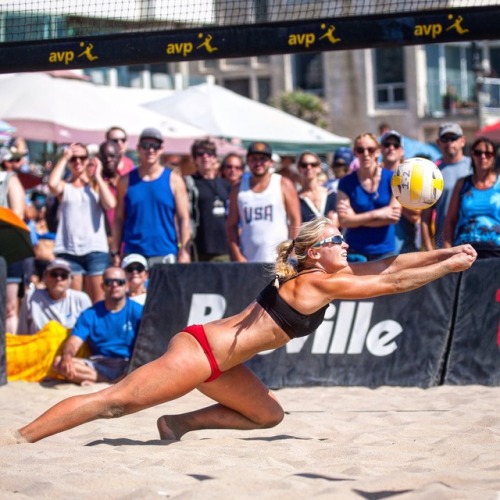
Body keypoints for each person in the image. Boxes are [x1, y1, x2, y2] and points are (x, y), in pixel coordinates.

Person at [14, 216, 477, 443]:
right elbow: (392, 282)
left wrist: (445, 252)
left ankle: (176, 423)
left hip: (223, 363)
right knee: (113, 402)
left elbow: (388, 263)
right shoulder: (317, 281)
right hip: (201, 353)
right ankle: (21, 438)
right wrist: (448, 269)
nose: (346, 242)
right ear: (315, 253)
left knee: (269, 416)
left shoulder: (331, 274)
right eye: (337, 238)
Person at [111, 128, 191, 266]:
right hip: (133, 253)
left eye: (155, 146)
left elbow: (184, 218)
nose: (150, 150)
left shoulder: (174, 180)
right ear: (138, 148)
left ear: (161, 149)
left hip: (165, 252)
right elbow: (118, 219)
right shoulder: (125, 181)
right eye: (146, 146)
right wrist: (115, 252)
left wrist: (184, 251)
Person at [50, 266, 143, 386]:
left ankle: (105, 381)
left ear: (126, 286)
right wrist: (67, 356)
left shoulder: (138, 311)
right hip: (98, 364)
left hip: (128, 364)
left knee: (144, 367)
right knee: (59, 362)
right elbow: (74, 342)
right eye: (109, 282)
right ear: (102, 286)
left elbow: (147, 346)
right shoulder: (90, 314)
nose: (114, 285)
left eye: (119, 282)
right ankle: (108, 381)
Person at [48, 142, 116, 303]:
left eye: (82, 158)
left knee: (98, 301)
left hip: (95, 249)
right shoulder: (65, 186)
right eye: (74, 158)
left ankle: (97, 329)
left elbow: (110, 204)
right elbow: (52, 184)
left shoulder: (95, 185)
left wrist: (98, 176)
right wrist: (64, 158)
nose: (78, 162)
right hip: (69, 249)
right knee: (74, 301)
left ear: (88, 160)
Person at [227, 141, 301, 263]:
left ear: (270, 162)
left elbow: (296, 221)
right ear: (248, 161)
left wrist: (292, 252)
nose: (258, 163)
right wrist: (238, 256)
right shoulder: (238, 189)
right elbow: (231, 226)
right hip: (248, 260)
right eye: (254, 159)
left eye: (263, 159)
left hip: (279, 261)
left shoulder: (283, 184)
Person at [336, 132, 402, 262]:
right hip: (356, 251)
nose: (366, 154)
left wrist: (356, 219)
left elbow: (394, 216)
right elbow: (344, 221)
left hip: (384, 251)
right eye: (361, 150)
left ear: (378, 152)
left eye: (370, 150)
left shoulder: (393, 178)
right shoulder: (346, 182)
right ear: (355, 153)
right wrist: (380, 213)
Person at [443, 136, 500, 258]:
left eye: (488, 153)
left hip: (496, 250)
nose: (483, 157)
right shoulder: (462, 184)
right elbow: (450, 221)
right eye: (478, 153)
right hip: (465, 250)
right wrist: (448, 252)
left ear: (494, 157)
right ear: (472, 156)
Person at [421, 122, 472, 250]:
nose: (449, 143)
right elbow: (425, 218)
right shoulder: (432, 171)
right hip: (444, 246)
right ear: (439, 143)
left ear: (462, 141)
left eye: (453, 138)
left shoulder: (473, 167)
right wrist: (429, 251)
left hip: (473, 242)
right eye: (445, 139)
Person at [184, 139, 231, 262]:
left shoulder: (226, 184)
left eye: (209, 153)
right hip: (198, 248)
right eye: (200, 154)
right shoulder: (189, 184)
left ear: (215, 158)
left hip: (224, 248)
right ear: (194, 159)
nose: (205, 157)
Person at [17, 258, 92, 335]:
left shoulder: (81, 299)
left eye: (64, 276)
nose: (58, 278)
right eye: (54, 274)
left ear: (70, 280)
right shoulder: (31, 297)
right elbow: (22, 334)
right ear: (45, 277)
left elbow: (90, 333)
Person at [380, 130, 421, 254]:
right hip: (379, 245)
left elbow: (416, 213)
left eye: (395, 145)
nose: (391, 148)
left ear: (401, 150)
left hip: (403, 246)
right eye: (387, 144)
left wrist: (393, 202)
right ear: (381, 149)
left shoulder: (411, 176)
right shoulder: (374, 177)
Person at [297, 150, 338, 226]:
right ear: (299, 168)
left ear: (319, 167)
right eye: (304, 165)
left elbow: (340, 222)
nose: (309, 167)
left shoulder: (331, 195)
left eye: (313, 164)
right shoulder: (296, 199)